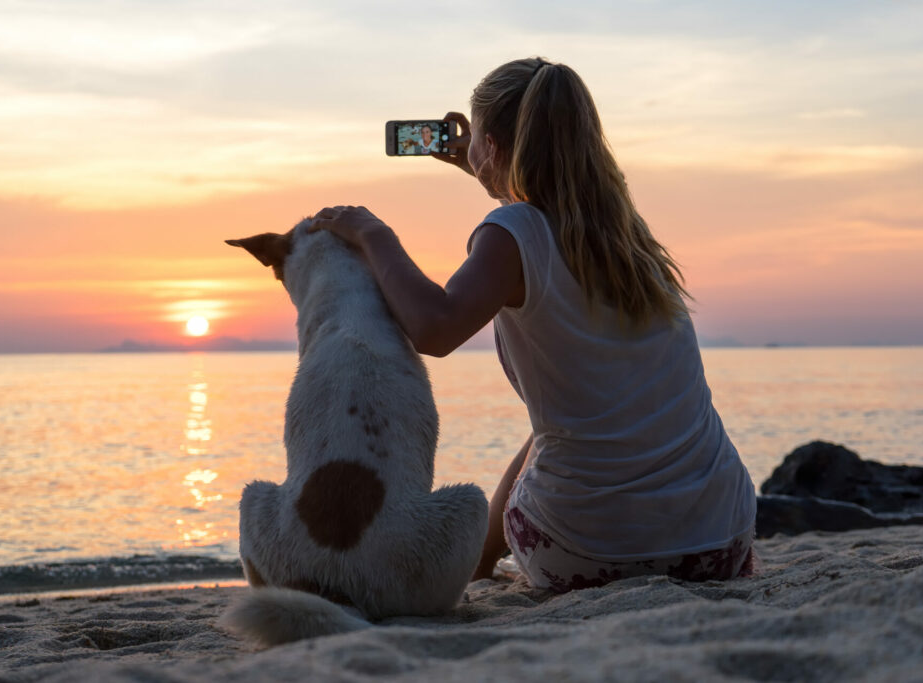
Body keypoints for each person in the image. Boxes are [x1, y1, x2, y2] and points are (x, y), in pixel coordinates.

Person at [310, 57, 756, 592]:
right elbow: (543, 222)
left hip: (593, 551)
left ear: (493, 146)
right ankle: (477, 562)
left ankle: (476, 564)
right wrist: (488, 169)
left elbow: (435, 328)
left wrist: (373, 234)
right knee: (570, 426)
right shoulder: (623, 233)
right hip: (720, 541)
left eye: (477, 138)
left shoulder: (511, 231)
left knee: (556, 437)